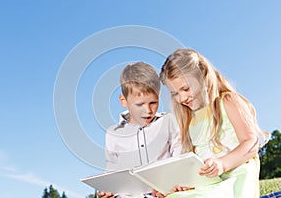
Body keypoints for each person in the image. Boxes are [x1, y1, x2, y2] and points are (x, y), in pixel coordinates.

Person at [159, 48, 270, 198]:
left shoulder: (228, 101)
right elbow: (194, 168)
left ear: (203, 77)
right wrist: (179, 184)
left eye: (185, 89)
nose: (181, 98)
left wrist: (222, 164)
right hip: (207, 186)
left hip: (233, 182)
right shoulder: (190, 121)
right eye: (175, 94)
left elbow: (251, 143)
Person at [98, 62, 182, 198]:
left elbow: (180, 158)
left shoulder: (168, 122)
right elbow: (111, 171)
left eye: (153, 103)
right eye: (140, 104)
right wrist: (107, 190)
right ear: (123, 101)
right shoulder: (113, 134)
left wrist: (170, 185)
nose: (148, 111)